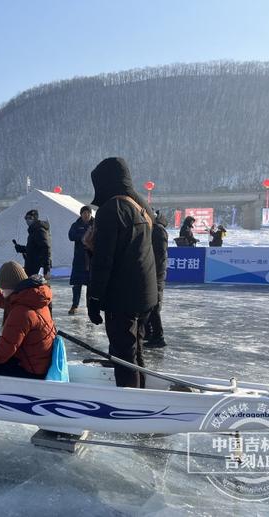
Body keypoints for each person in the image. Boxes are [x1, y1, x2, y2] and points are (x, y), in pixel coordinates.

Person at [86, 157, 157, 388]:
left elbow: (103, 261)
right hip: (145, 294)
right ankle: (141, 402)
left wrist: (94, 299)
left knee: (123, 358)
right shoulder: (141, 208)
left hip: (122, 298)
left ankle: (128, 414)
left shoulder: (112, 210)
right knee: (136, 354)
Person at [145, 210, 168, 348]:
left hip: (155, 274)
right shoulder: (152, 229)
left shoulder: (158, 231)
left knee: (154, 306)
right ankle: (149, 333)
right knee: (148, 305)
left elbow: (159, 256)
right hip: (151, 272)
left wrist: (151, 270)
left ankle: (158, 336)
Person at [67, 205, 94, 315]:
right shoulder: (76, 225)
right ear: (81, 214)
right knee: (77, 284)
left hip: (92, 259)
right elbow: (71, 236)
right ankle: (75, 305)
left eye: (88, 213)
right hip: (79, 259)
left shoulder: (96, 224)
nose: (86, 215)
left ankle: (90, 307)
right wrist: (85, 235)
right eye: (84, 213)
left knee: (91, 285)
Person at [13, 209, 52, 276]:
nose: (27, 220)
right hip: (32, 266)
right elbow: (34, 248)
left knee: (38, 285)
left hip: (37, 267)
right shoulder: (33, 230)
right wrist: (21, 249)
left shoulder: (39, 230)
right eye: (26, 218)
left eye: (30, 218)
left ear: (35, 219)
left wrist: (47, 268)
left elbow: (46, 248)